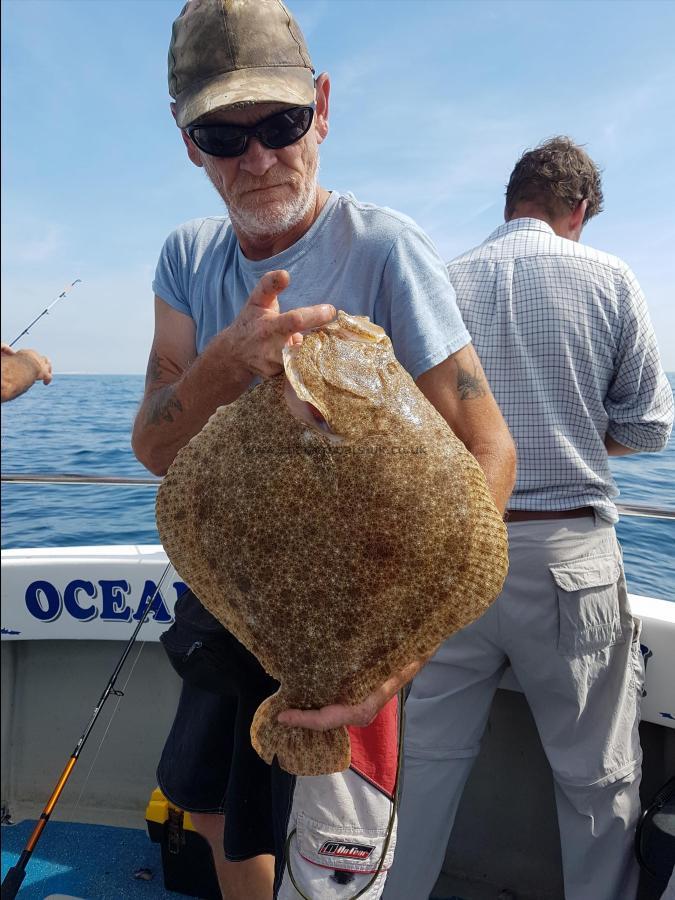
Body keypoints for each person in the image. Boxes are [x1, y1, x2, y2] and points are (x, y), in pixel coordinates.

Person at [131, 1, 516, 898]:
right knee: (218, 805)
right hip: (233, 607)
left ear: (323, 109)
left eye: (280, 123)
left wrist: (400, 656)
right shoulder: (185, 259)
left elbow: (485, 448)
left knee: (335, 857)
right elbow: (157, 450)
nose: (258, 156)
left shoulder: (381, 249)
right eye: (224, 134)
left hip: (362, 635)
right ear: (187, 140)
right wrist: (223, 368)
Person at [383, 137, 674, 900]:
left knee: (426, 767)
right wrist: (576, 433)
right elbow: (648, 426)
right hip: (567, 560)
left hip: (456, 555)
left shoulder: (439, 285)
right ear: (576, 211)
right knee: (595, 781)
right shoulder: (608, 276)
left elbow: (408, 431)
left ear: (511, 201)